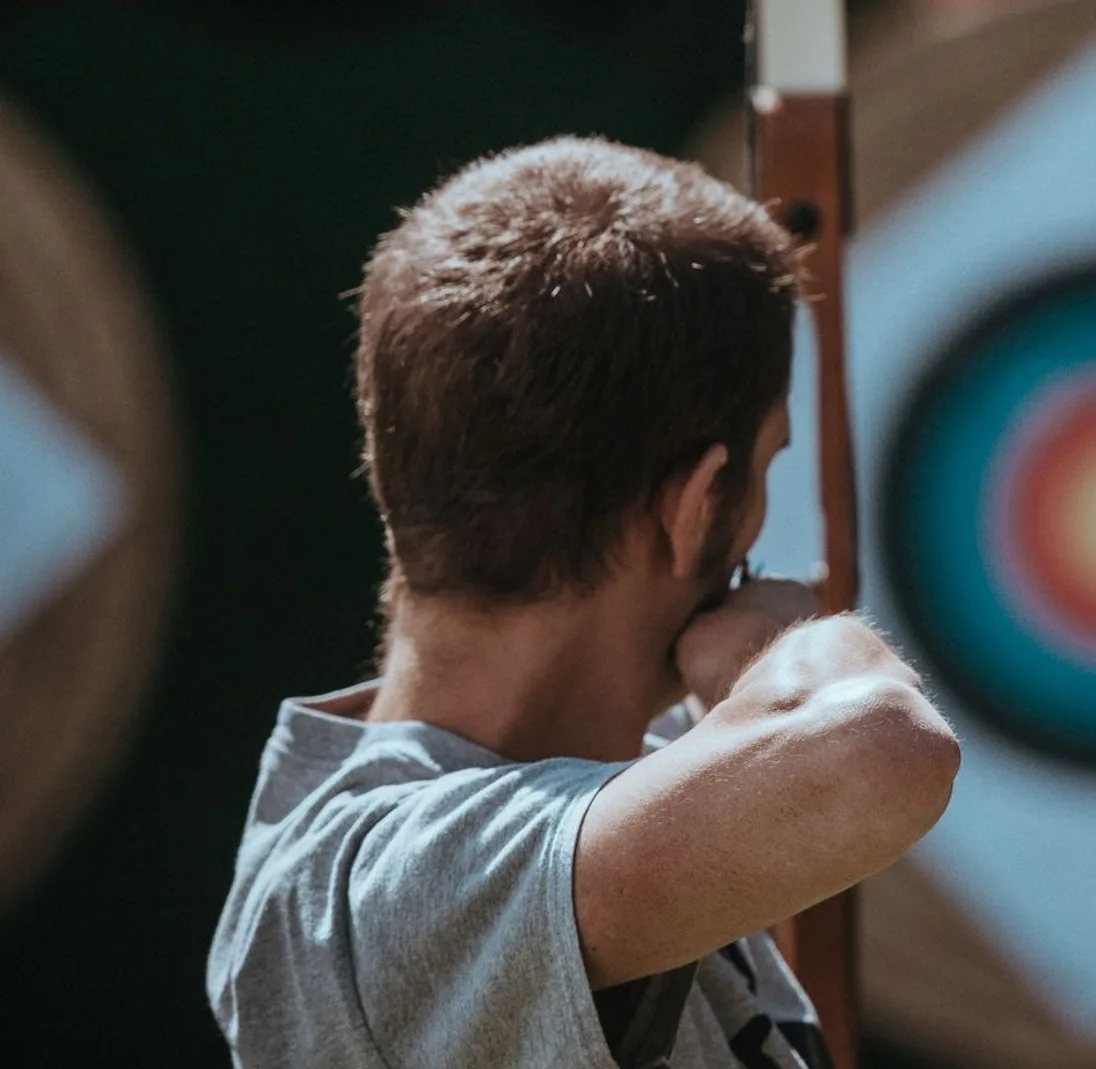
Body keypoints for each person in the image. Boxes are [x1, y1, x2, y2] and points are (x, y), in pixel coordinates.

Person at [206, 136, 961, 1069]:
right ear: (695, 509)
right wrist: (781, 651)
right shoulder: (383, 889)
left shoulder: (593, 798)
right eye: (765, 467)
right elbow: (876, 752)